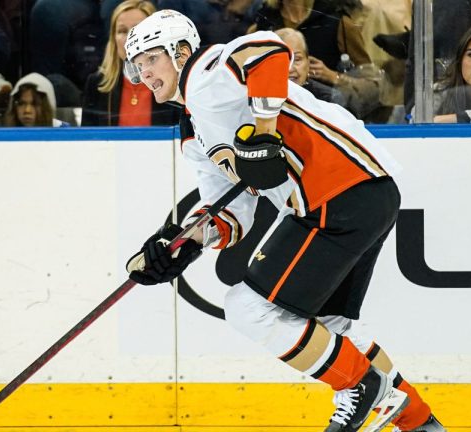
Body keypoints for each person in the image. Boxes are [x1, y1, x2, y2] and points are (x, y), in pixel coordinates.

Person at [123, 10, 446, 432]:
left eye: (151, 58)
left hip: (338, 191)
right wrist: (183, 244)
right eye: (138, 66)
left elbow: (269, 51)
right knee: (329, 329)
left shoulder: (203, 74)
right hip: (360, 195)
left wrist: (264, 130)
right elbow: (231, 211)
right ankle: (421, 423)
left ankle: (364, 388)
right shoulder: (194, 129)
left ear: (181, 51)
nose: (144, 73)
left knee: (247, 308)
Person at [253, 0, 384, 121]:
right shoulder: (265, 20)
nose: (290, 67)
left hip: (329, 109)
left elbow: (371, 85)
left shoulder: (336, 20)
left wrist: (333, 76)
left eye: (297, 59)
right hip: (275, 109)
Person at [81, 0, 181, 127]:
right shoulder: (96, 85)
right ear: (113, 39)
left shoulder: (174, 82)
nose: (129, 39)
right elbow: (87, 142)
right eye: (122, 31)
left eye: (136, 30)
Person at [275, 28, 346, 106]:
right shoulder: (261, 99)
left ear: (308, 62)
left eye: (297, 59)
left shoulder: (331, 100)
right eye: (281, 61)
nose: (290, 69)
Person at [3, 72, 69, 127]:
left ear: (47, 107)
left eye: (35, 104)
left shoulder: (66, 135)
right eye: (21, 103)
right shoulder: (4, 138)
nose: (27, 110)